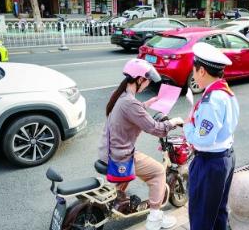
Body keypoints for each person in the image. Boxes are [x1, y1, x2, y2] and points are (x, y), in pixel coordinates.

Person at [98, 59, 184, 230]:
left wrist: (146, 104)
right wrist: (173, 122)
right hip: (120, 156)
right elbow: (156, 129)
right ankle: (154, 219)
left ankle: (119, 198)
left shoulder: (121, 96)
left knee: (143, 164)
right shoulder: (130, 103)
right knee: (158, 172)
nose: (147, 84)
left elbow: (131, 112)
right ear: (139, 79)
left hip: (107, 151)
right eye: (147, 80)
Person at [183, 42, 240, 230]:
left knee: (201, 216)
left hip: (210, 163)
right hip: (226, 157)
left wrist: (188, 125)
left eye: (193, 70)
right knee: (218, 212)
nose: (193, 74)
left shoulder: (211, 100)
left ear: (201, 71)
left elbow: (203, 139)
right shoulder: (225, 91)